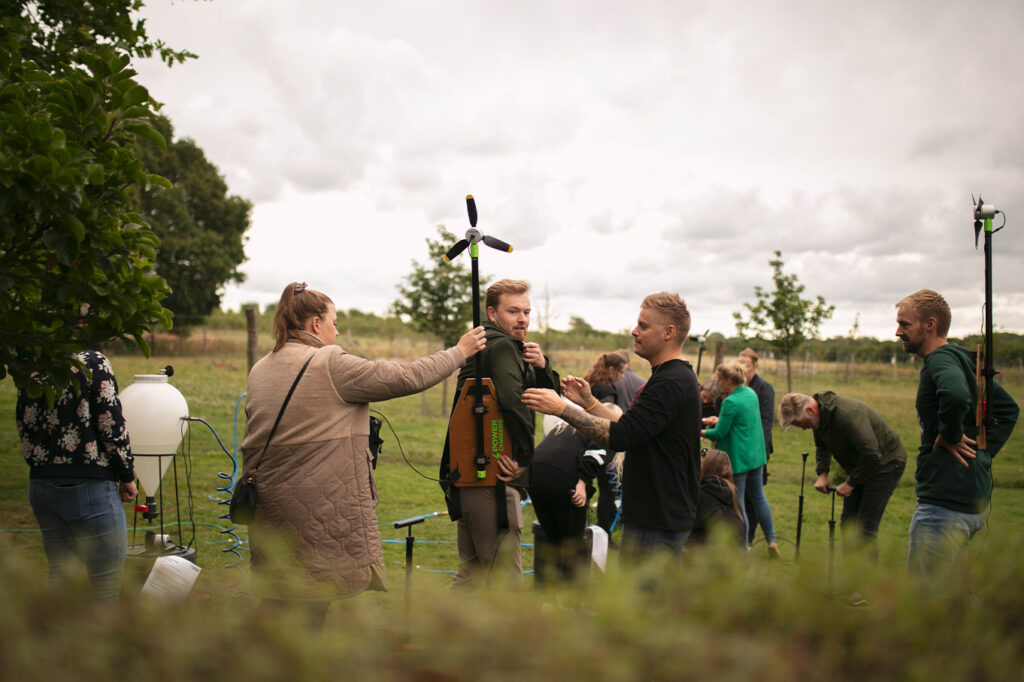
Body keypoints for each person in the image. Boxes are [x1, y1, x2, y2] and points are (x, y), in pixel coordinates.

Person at [243, 282, 485, 626]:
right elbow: (404, 377)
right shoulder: (327, 362)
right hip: (314, 506)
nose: (336, 330)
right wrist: (459, 352)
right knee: (310, 602)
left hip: (268, 505)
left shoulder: (261, 367)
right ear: (315, 324)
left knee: (280, 594)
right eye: (334, 322)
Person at [523, 292, 701, 562]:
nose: (634, 331)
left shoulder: (671, 381)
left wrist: (562, 409)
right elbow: (632, 427)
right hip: (658, 516)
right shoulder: (669, 377)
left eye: (643, 326)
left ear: (668, 332)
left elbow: (621, 437)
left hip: (657, 518)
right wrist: (589, 402)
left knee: (643, 603)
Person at [441, 279, 559, 588]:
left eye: (527, 312)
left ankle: (442, 635)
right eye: (513, 311)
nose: (522, 319)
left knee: (471, 574)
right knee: (505, 583)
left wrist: (542, 366)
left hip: (466, 476)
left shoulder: (483, 344)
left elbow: (549, 397)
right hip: (492, 476)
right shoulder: (503, 345)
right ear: (492, 314)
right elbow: (512, 399)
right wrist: (524, 457)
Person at [895, 289, 1018, 576]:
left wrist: (950, 435)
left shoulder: (940, 360)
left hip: (943, 504)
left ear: (931, 324)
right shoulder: (964, 360)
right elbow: (1009, 410)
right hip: (970, 501)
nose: (897, 331)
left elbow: (954, 395)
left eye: (905, 324)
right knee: (949, 599)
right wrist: (980, 452)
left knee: (926, 600)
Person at [15, 350, 138, 601]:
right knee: (106, 587)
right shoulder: (93, 362)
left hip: (42, 483)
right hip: (89, 482)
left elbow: (24, 420)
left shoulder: (34, 358)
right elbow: (109, 422)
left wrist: (39, 463)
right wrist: (126, 474)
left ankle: (52, 638)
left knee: (60, 580)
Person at [778, 391, 906, 561]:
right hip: (861, 466)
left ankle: (867, 584)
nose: (802, 428)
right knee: (848, 525)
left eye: (801, 423)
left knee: (865, 529)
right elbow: (822, 446)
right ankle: (851, 579)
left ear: (810, 410)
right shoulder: (820, 419)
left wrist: (851, 483)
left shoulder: (847, 415)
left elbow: (872, 455)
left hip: (886, 464)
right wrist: (822, 473)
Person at [529, 403, 623, 583]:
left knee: (553, 539)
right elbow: (593, 455)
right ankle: (571, 603)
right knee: (573, 545)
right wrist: (582, 484)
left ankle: (550, 598)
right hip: (563, 477)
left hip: (535, 472)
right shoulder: (609, 429)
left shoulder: (571, 424)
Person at [701, 360, 780, 558]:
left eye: (719, 380)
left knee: (739, 504)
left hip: (738, 457)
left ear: (728, 380)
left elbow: (719, 434)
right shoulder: (750, 394)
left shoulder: (730, 401)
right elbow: (740, 421)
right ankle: (771, 541)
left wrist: (699, 431)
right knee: (759, 497)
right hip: (756, 455)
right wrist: (720, 420)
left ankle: (743, 548)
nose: (717, 383)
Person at [581, 352, 630, 534]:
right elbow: (607, 420)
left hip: (581, 439)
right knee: (608, 488)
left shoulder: (590, 382)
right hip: (599, 444)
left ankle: (580, 524)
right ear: (611, 370)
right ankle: (604, 532)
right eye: (621, 372)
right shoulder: (608, 391)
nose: (623, 376)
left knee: (582, 482)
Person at [738, 349, 774, 546]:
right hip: (739, 450)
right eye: (740, 365)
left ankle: (750, 538)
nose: (744, 370)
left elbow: (766, 423)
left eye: (747, 366)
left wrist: (764, 452)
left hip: (756, 449)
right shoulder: (735, 387)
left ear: (755, 366)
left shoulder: (764, 389)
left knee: (754, 497)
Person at [688, 449, 745, 546]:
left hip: (706, 554)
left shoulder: (702, 494)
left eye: (700, 465)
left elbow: (691, 528)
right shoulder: (732, 493)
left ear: (707, 469)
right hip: (734, 555)